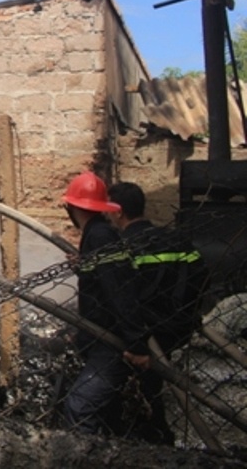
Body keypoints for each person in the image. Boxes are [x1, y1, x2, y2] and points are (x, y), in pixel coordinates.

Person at [107, 181, 209, 445]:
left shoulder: (123, 247)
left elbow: (122, 296)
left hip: (144, 334)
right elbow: (201, 275)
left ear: (118, 211)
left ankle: (153, 438)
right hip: (178, 326)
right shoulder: (175, 239)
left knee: (141, 391)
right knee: (153, 387)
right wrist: (186, 310)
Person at [61, 171, 145, 436]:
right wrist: (83, 268)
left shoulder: (99, 236)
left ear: (71, 208)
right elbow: (103, 280)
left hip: (110, 343)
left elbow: (119, 289)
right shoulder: (98, 233)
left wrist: (137, 344)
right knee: (107, 415)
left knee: (79, 407)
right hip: (100, 339)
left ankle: (82, 455)